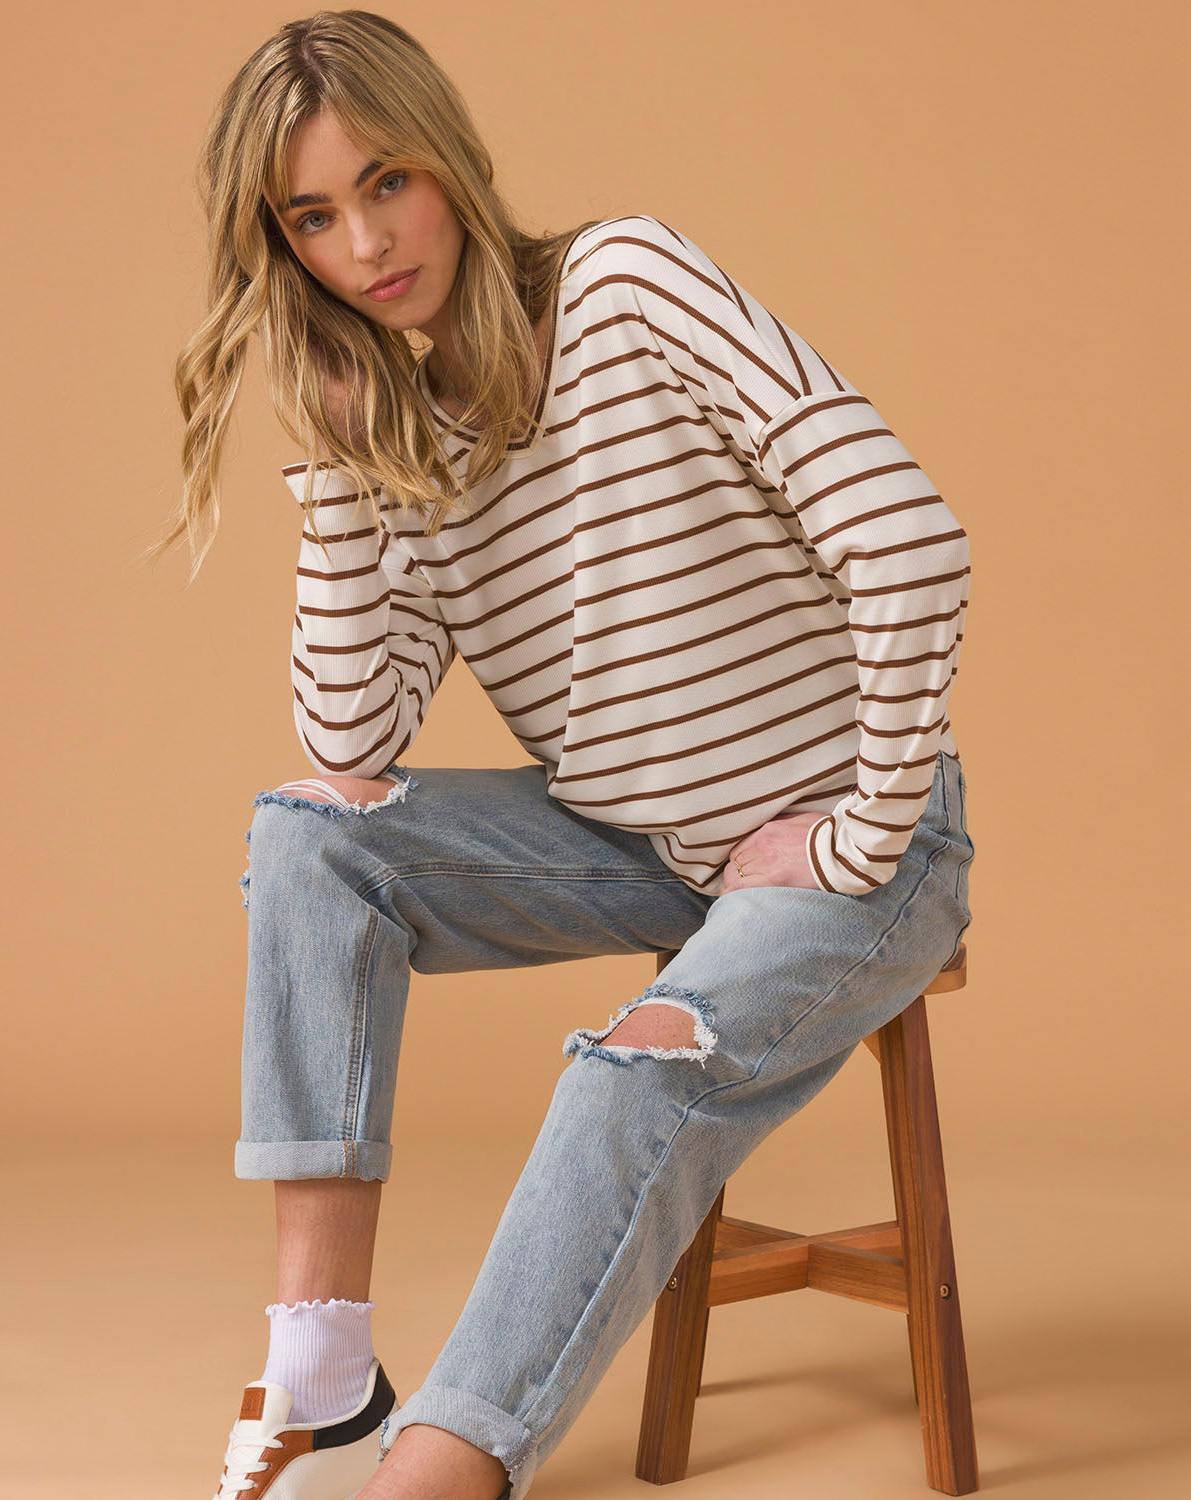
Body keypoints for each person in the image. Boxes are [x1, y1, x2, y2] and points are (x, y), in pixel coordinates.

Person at [150, 12, 976, 1500]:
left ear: (448, 158)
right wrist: (343, 455)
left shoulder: (628, 284)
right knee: (307, 834)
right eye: (313, 218)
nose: (367, 245)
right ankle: (324, 1357)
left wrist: (859, 834)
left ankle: (444, 1472)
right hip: (648, 849)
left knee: (622, 1078)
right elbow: (351, 740)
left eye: (387, 182)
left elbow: (909, 538)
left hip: (865, 852)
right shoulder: (392, 415)